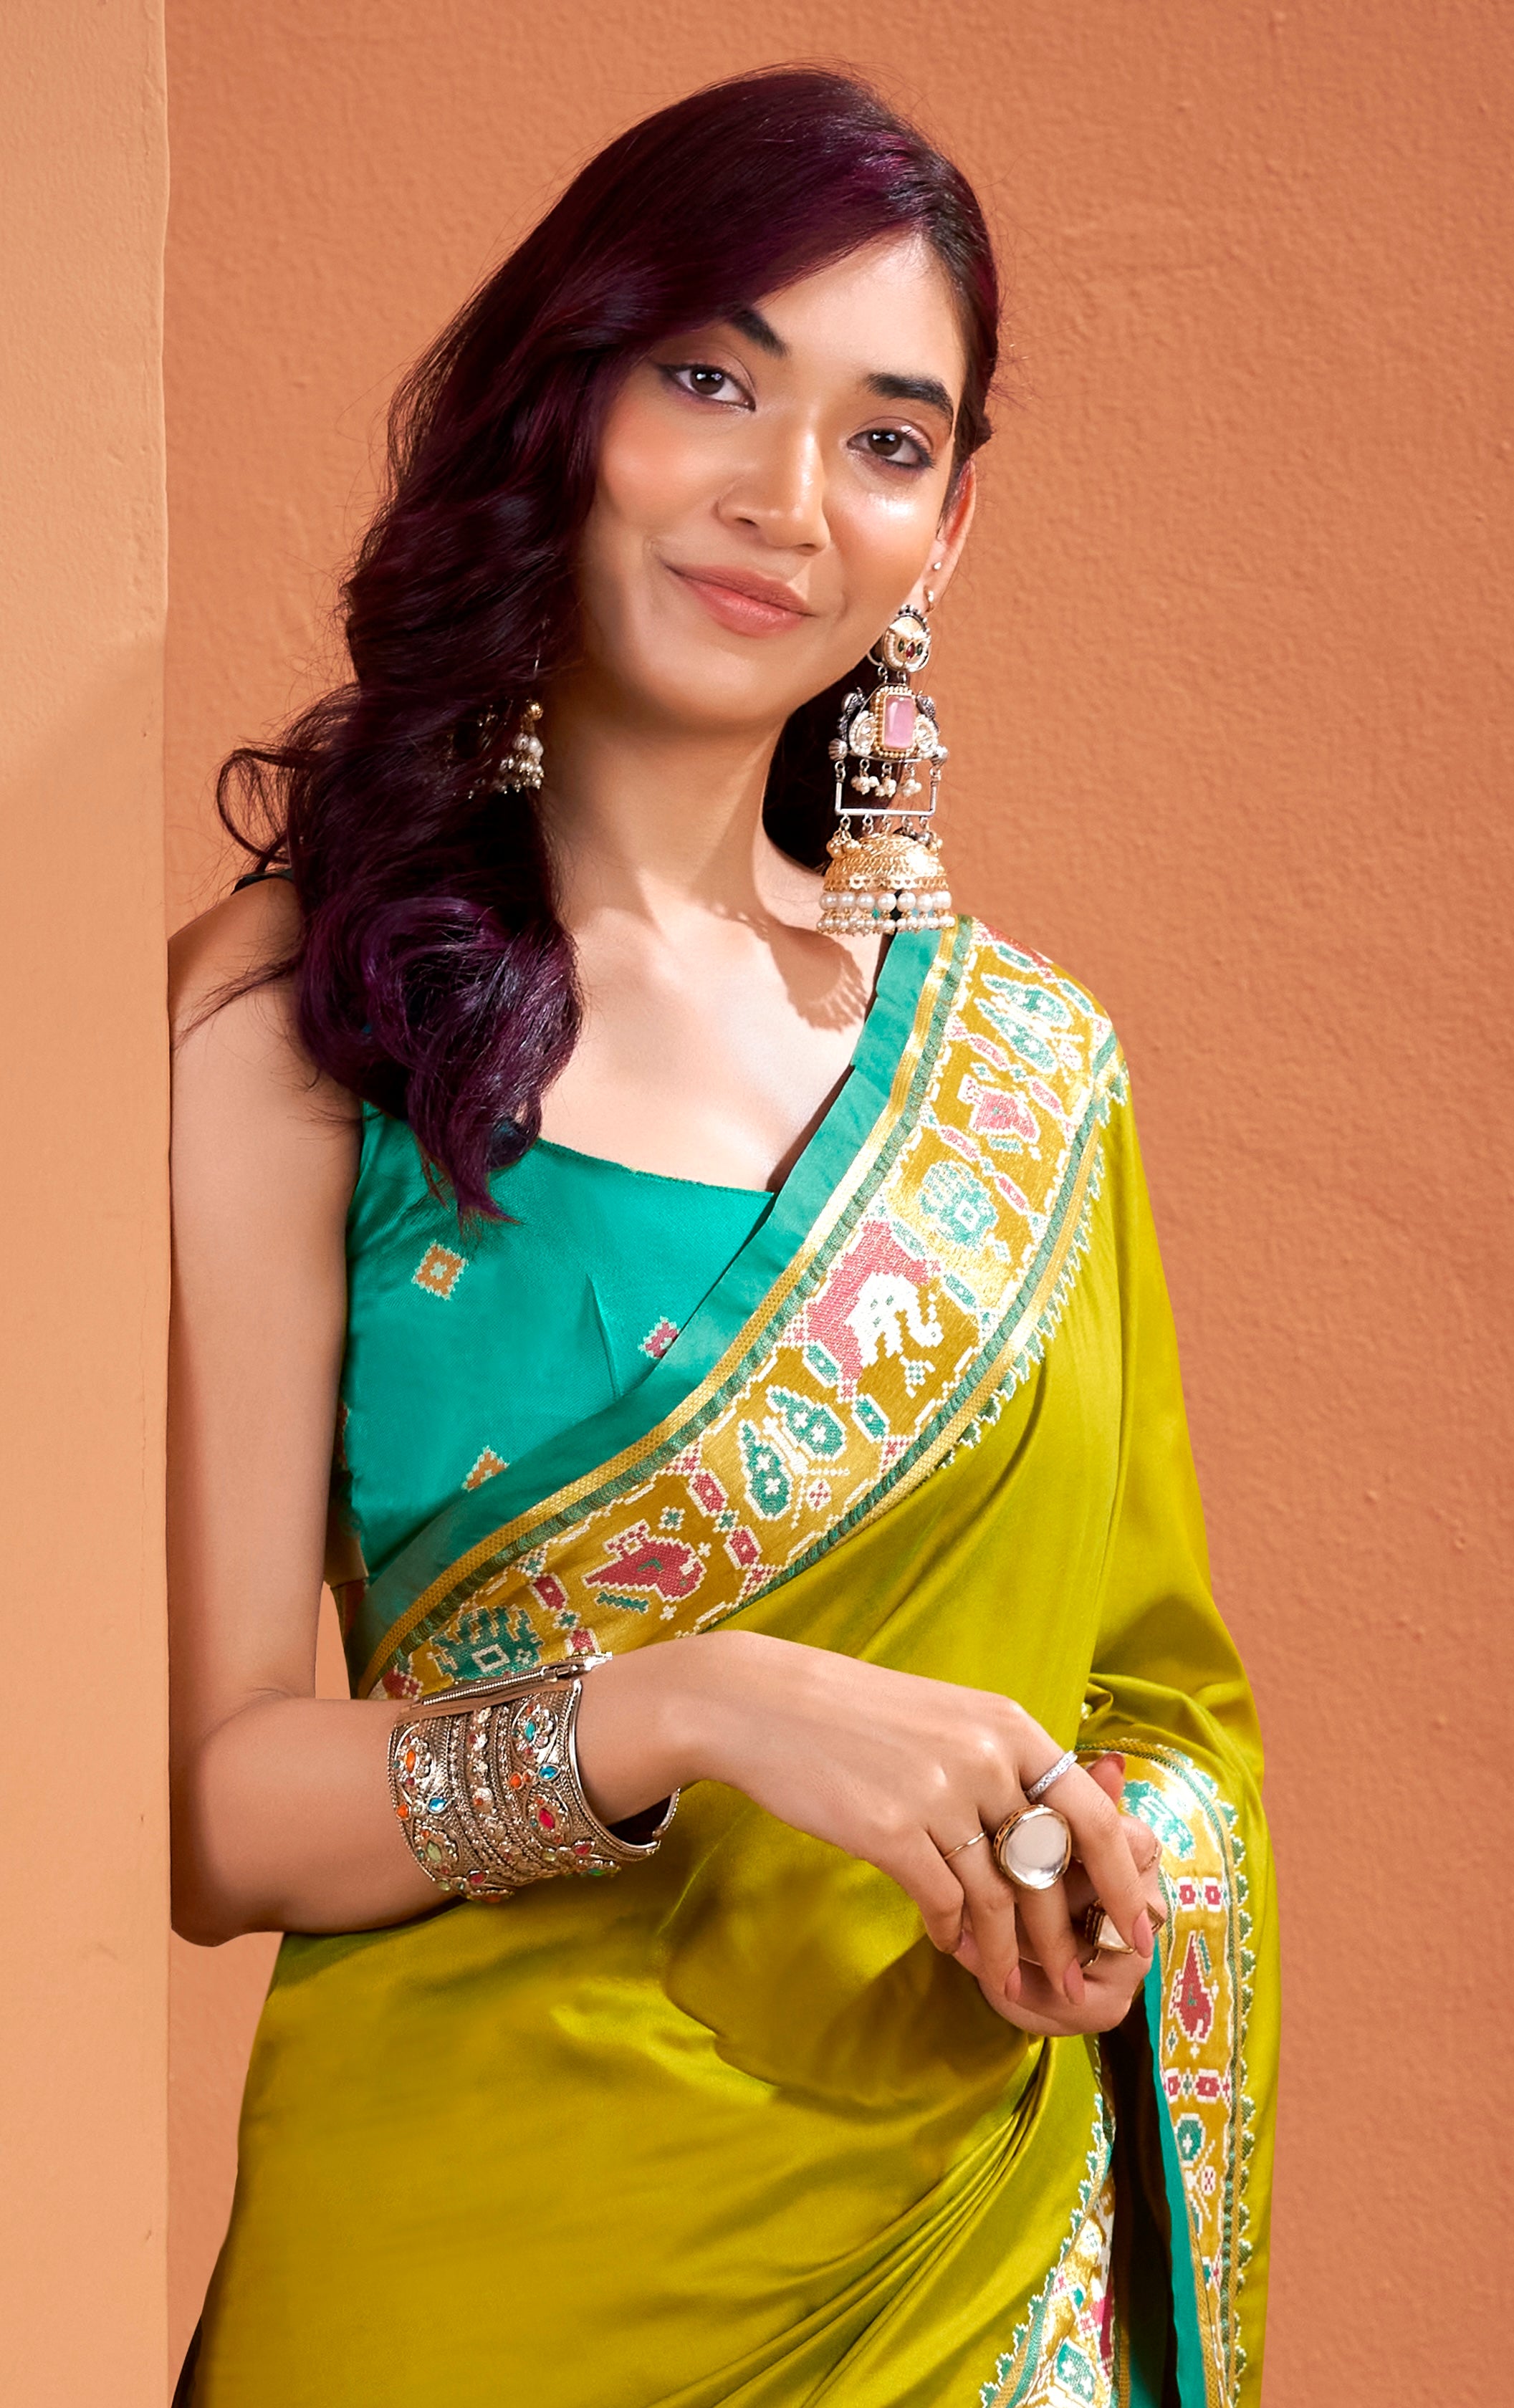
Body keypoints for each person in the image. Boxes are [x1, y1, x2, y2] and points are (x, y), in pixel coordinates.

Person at [168, 67, 1277, 2408]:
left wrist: (1095, 1874)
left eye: (886, 438)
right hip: (454, 2280)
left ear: (949, 526)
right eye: (711, 380)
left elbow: (1159, 1713)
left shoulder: (1030, 1081)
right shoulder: (302, 1006)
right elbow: (227, 1803)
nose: (788, 499)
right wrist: (697, 1705)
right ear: (567, 402)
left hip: (949, 2272)